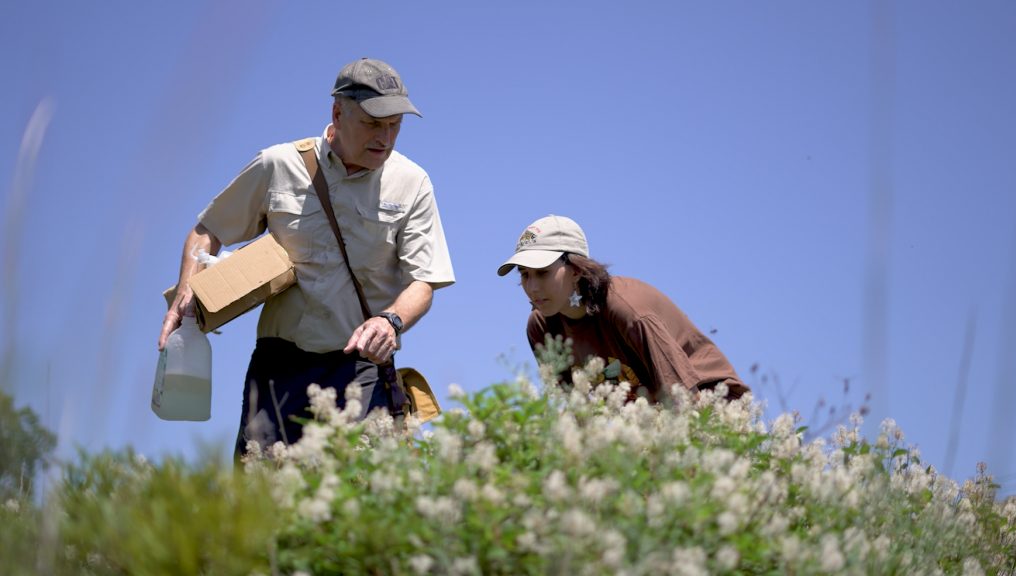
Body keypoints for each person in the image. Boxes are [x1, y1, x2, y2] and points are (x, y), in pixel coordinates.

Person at [158, 58, 455, 456]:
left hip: (359, 368)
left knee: (365, 501)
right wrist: (186, 291)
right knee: (261, 499)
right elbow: (207, 230)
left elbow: (425, 281)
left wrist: (391, 321)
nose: (385, 137)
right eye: (372, 122)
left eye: (394, 124)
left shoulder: (413, 182)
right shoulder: (277, 165)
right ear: (337, 112)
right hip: (279, 368)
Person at [497, 215, 747, 403]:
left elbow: (681, 396)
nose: (532, 287)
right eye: (525, 275)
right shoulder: (541, 327)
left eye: (542, 273)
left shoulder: (627, 311)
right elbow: (576, 412)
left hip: (709, 403)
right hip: (645, 421)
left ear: (576, 270)